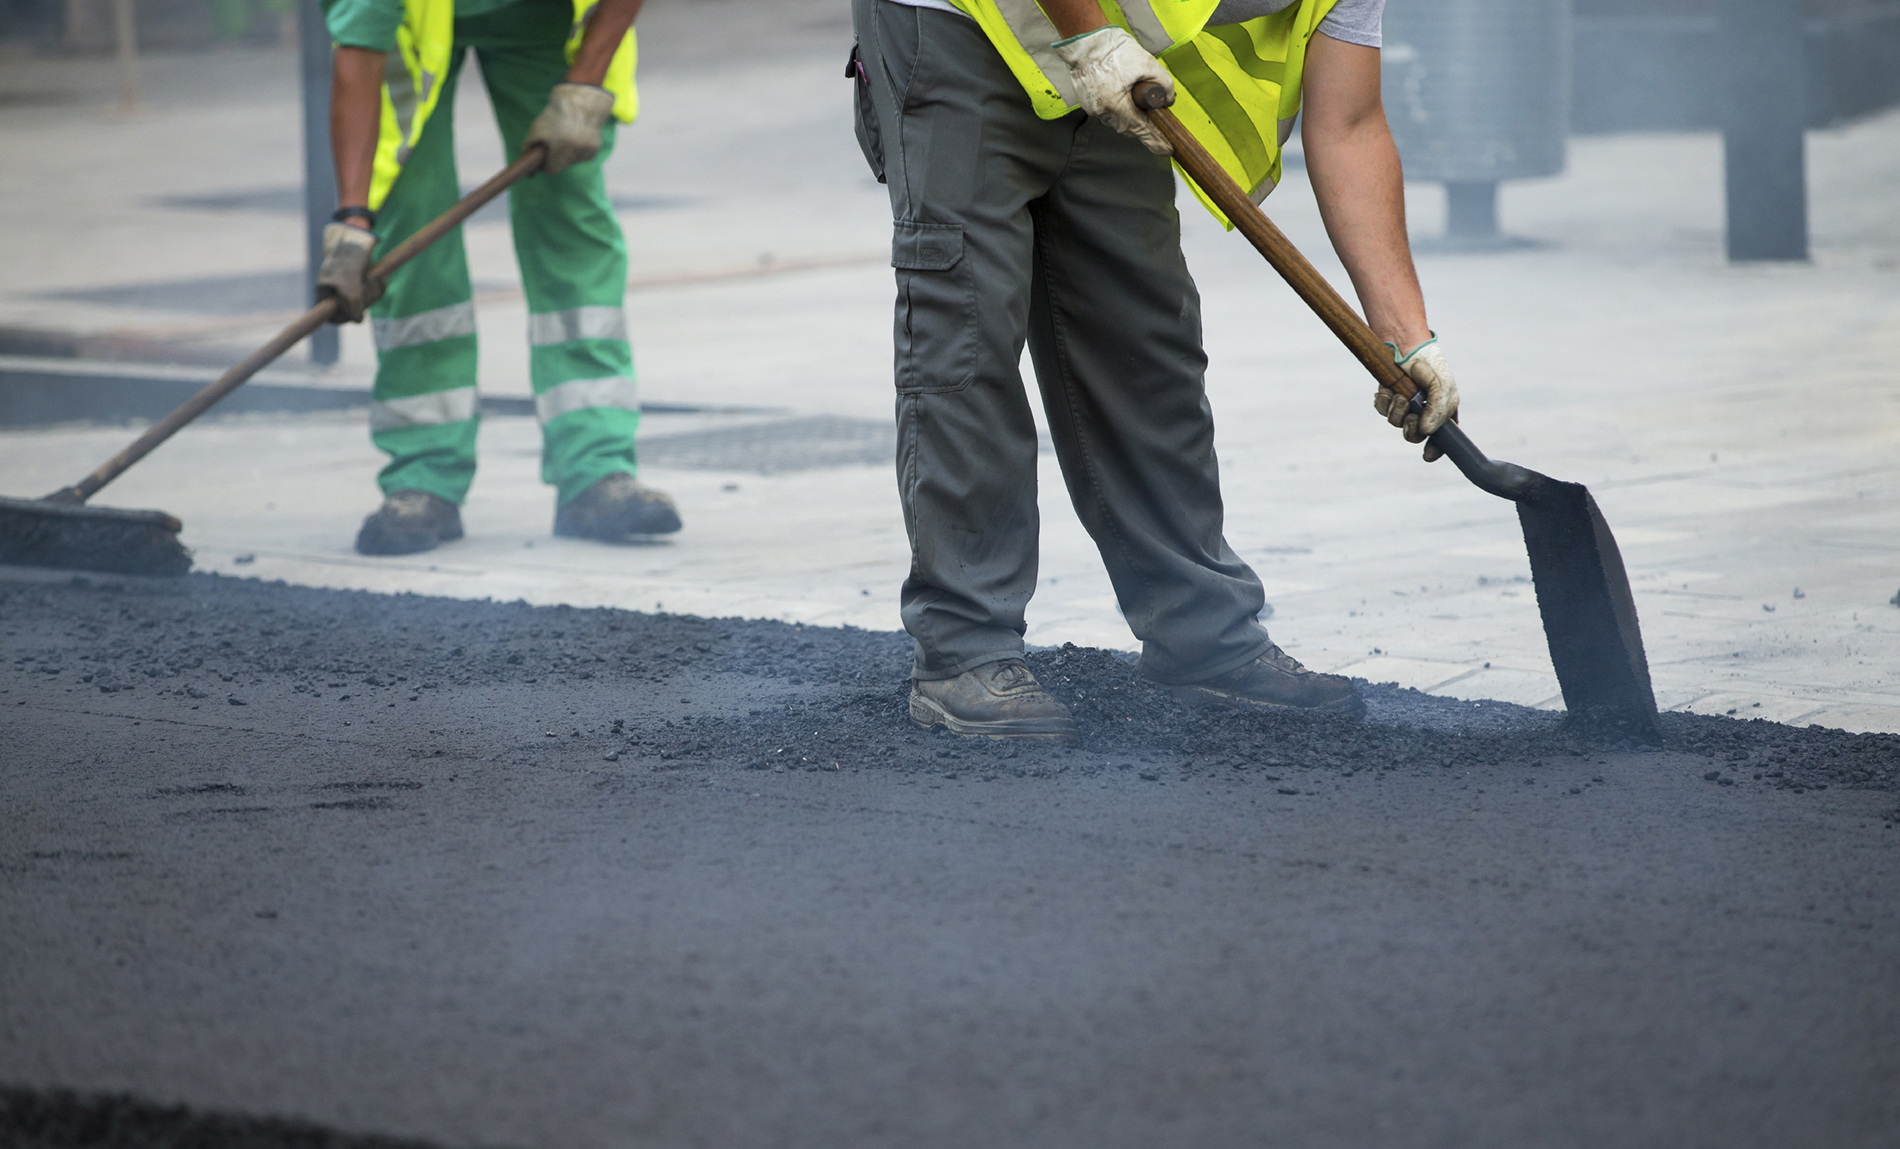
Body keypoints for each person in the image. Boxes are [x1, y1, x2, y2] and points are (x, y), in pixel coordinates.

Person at [848, 0, 1460, 742]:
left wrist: (1405, 338)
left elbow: (1352, 122)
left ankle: (1202, 635)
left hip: (1113, 40)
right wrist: (1086, 36)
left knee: (1145, 333)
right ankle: (964, 649)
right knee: (969, 330)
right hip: (959, 25)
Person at [315, 0, 681, 556]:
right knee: (412, 222)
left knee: (569, 209)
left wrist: (583, 88)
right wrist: (353, 222)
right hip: (417, 22)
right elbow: (360, 51)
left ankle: (596, 468)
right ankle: (424, 475)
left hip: (547, 17)